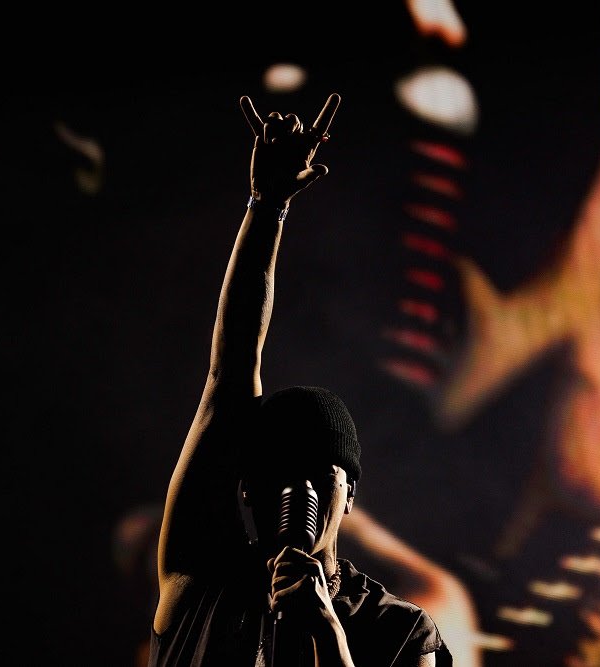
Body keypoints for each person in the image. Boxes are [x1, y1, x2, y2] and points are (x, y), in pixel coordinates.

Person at [149, 92, 450, 667]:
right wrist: (267, 207)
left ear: (350, 493)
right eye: (277, 474)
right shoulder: (201, 579)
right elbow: (230, 372)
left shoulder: (401, 634)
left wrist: (326, 632)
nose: (297, 491)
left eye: (318, 474)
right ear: (245, 489)